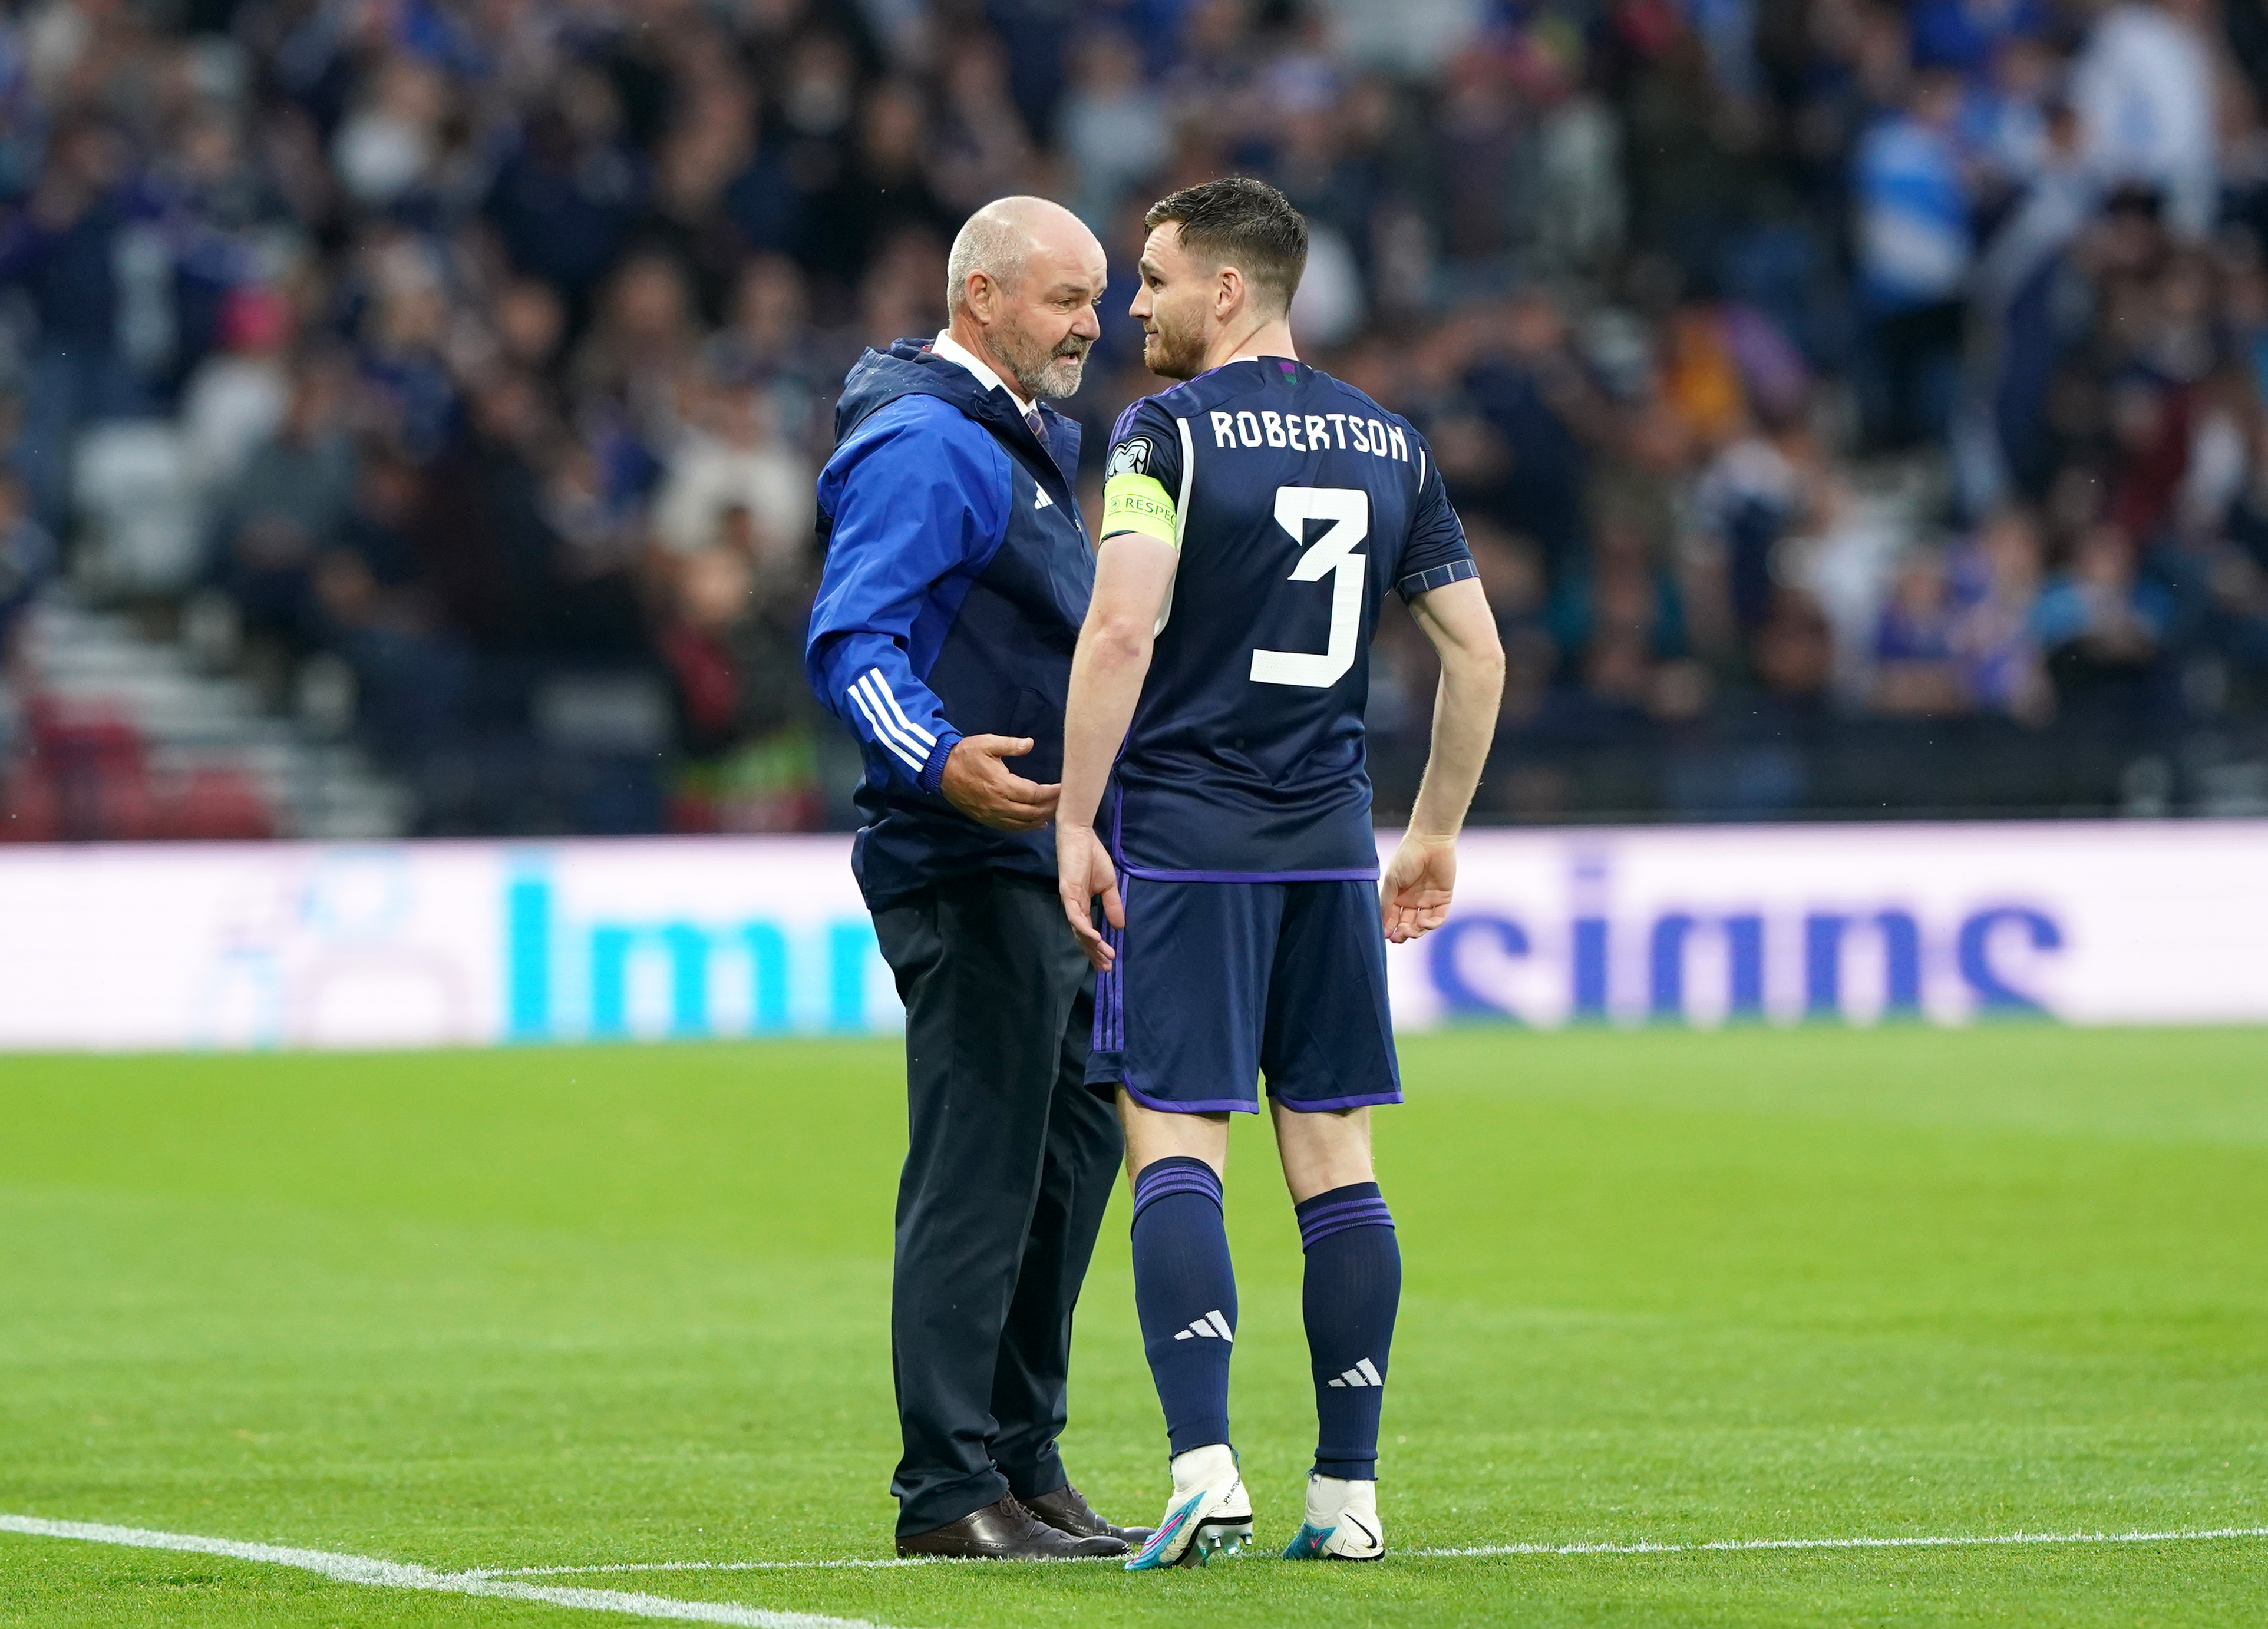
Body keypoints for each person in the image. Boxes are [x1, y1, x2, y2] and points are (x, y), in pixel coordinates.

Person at [1052, 177, 1505, 1569]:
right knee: (1337, 1161)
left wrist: (1074, 823)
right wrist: (1430, 833)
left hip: (1187, 840)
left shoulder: (1160, 433)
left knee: (1174, 1139)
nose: (1135, 306)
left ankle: (1201, 1468)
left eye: (1153, 278)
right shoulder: (1390, 441)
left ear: (1227, 292)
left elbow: (1121, 631)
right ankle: (1349, 1495)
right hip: (1325, 844)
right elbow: (1477, 655)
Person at [804, 196, 1150, 1562]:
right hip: (967, 861)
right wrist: (940, 760)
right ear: (983, 297)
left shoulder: (1004, 446)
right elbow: (850, 642)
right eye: (1066, 298)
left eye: (1098, 297)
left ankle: (1021, 1460)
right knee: (981, 1169)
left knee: (1065, 1161)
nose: (1090, 324)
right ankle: (947, 1491)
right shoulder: (926, 444)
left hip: (1046, 868)